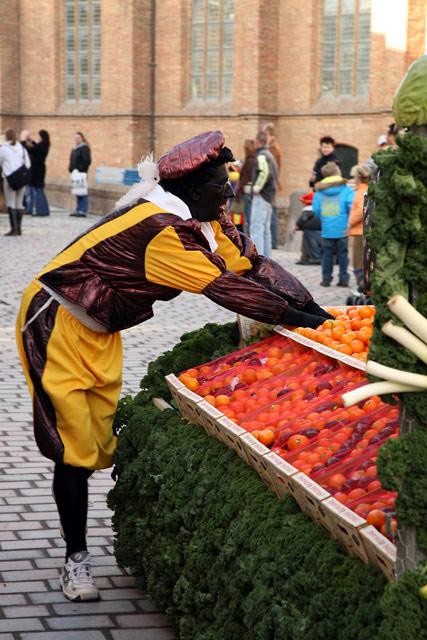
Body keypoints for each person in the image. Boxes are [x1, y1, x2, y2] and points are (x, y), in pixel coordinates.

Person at [16, 130, 332, 602]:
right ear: (190, 190)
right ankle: (75, 559)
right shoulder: (163, 231)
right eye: (220, 184)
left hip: (100, 330)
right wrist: (305, 324)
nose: (228, 191)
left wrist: (322, 316)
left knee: (99, 437)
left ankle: (92, 533)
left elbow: (252, 264)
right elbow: (228, 291)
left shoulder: (205, 221)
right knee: (74, 446)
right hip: (57, 321)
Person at [312, 161, 355, 287]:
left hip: (327, 228)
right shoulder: (346, 190)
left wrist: (326, 218)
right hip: (342, 229)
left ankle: (326, 279)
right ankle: (343, 279)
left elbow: (317, 210)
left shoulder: (320, 192)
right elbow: (350, 206)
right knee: (343, 254)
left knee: (327, 255)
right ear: (338, 173)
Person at [245, 130, 278, 257]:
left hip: (262, 196)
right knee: (265, 229)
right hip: (270, 196)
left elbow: (264, 173)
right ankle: (266, 257)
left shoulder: (262, 155)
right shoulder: (270, 154)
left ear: (257, 142)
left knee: (256, 227)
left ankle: (258, 257)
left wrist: (256, 188)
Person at [0, 128, 31, 236]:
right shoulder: (22, 148)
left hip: (9, 178)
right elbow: (28, 164)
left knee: (11, 203)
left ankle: (14, 229)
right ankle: (19, 229)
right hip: (21, 178)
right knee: (19, 203)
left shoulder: (3, 148)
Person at [347, 164, 372, 289]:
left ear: (359, 177)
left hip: (359, 230)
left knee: (358, 260)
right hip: (362, 230)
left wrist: (349, 223)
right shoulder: (365, 189)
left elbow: (360, 211)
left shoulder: (362, 191)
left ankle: (362, 285)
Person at [263, 122, 282, 248]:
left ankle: (273, 241)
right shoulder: (272, 147)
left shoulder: (272, 149)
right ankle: (273, 241)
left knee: (271, 212)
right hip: (273, 183)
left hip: (271, 184)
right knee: (271, 211)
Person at [24, 129, 51, 216]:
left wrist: (24, 142)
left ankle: (42, 210)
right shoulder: (44, 144)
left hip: (37, 170)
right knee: (39, 190)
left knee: (38, 190)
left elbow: (33, 149)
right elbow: (35, 147)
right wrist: (31, 141)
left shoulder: (42, 145)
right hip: (39, 169)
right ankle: (43, 209)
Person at [295, 192, 322, 265]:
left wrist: (297, 226)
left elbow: (301, 221)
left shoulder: (307, 211)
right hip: (321, 231)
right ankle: (316, 257)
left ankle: (311, 258)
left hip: (309, 232)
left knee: (307, 243)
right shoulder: (320, 211)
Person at [236, 139, 256, 234]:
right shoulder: (253, 160)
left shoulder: (250, 161)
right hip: (248, 192)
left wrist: (238, 191)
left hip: (247, 192)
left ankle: (249, 239)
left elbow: (246, 178)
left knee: (248, 218)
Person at [69, 131, 91, 217]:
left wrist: (79, 168)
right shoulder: (74, 148)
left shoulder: (84, 148)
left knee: (83, 191)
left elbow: (87, 160)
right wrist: (71, 168)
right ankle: (78, 209)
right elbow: (71, 160)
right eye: (75, 138)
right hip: (74, 173)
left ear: (82, 138)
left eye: (78, 138)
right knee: (77, 191)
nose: (76, 139)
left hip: (81, 173)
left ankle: (83, 210)